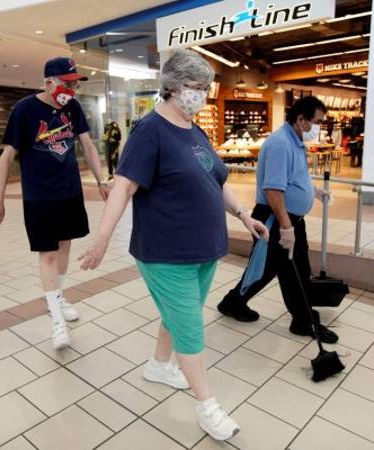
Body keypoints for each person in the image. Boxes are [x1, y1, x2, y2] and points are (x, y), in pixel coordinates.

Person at [78, 49, 268, 442]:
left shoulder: (194, 129)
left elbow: (215, 182)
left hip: (202, 250)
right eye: (194, 88)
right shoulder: (149, 132)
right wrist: (101, 240)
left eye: (205, 89)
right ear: (173, 88)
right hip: (166, 253)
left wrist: (244, 215)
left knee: (179, 313)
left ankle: (159, 365)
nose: (200, 96)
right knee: (190, 328)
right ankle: (208, 406)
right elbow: (124, 187)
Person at [0, 57, 109, 350]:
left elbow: (88, 145)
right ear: (48, 83)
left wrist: (101, 180)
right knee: (47, 255)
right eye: (67, 84)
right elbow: (7, 156)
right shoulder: (25, 110)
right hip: (39, 197)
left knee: (65, 245)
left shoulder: (73, 108)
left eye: (74, 84)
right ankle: (56, 319)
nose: (72, 90)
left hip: (69, 192)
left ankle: (58, 296)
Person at [217, 96, 339, 344]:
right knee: (271, 268)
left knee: (290, 269)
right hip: (276, 219)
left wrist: (315, 192)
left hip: (287, 219)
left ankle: (297, 317)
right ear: (301, 119)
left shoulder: (295, 141)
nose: (318, 128)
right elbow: (273, 190)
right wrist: (286, 227)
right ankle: (298, 319)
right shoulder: (281, 144)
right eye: (316, 122)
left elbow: (295, 177)